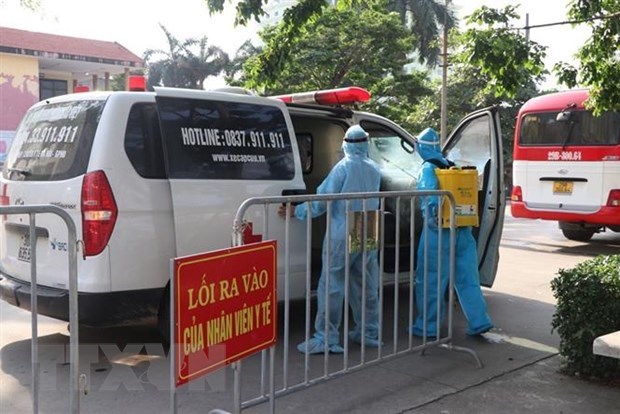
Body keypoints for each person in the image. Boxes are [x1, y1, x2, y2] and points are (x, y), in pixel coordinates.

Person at [278, 124, 382, 354]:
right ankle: (368, 332)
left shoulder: (342, 169)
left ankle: (326, 337)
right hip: (367, 225)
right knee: (365, 283)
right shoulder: (375, 168)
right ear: (366, 143)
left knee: (332, 284)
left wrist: (297, 211)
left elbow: (323, 199)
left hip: (343, 228)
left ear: (345, 144)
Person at [410, 127, 493, 338]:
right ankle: (479, 320)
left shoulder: (428, 168)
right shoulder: (451, 166)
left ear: (420, 147)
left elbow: (430, 197)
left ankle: (427, 326)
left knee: (430, 279)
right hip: (463, 230)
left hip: (438, 232)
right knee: (467, 279)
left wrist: (431, 220)